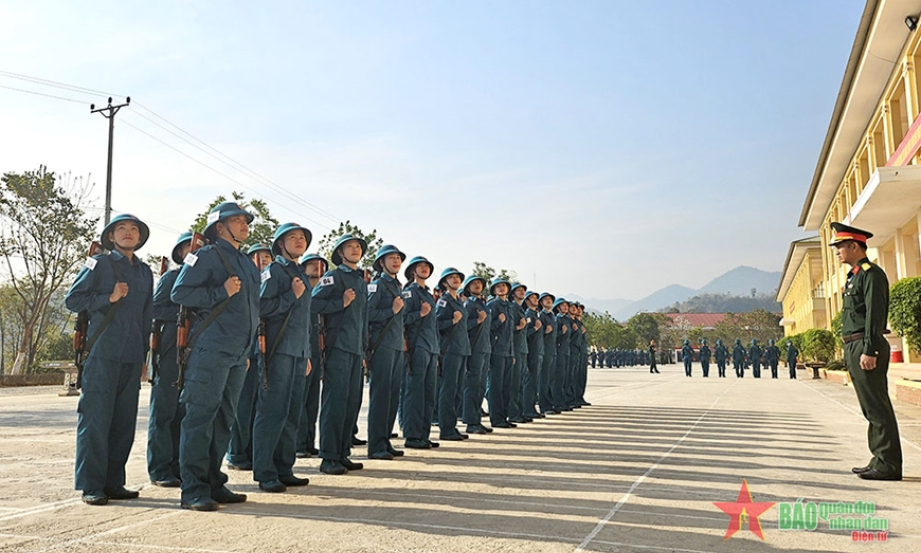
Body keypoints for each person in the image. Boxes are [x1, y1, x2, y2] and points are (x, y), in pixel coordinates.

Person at [171, 202, 260, 511]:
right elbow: (179, 293)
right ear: (219, 227)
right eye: (236, 220)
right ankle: (193, 489)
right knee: (200, 418)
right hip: (210, 349)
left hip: (238, 353)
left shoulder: (247, 263)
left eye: (245, 220)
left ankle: (213, 482)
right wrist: (220, 292)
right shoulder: (206, 255)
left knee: (224, 420)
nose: (244, 224)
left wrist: (248, 350)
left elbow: (252, 311)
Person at [65, 213, 153, 506]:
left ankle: (115, 482)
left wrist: (143, 357)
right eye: (121, 229)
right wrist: (108, 297)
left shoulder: (144, 272)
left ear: (139, 238)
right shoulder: (99, 264)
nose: (128, 233)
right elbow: (72, 300)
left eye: (133, 229)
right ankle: (92, 484)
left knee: (123, 423)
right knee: (96, 421)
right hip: (102, 353)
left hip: (130, 356)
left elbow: (146, 317)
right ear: (111, 237)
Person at [829, 222, 902, 480]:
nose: (837, 251)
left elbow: (875, 315)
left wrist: (869, 349)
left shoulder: (871, 274)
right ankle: (879, 457)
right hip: (855, 345)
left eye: (840, 246)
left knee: (877, 407)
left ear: (854, 246)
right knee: (870, 408)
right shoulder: (856, 276)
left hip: (866, 345)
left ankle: (888, 464)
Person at [251, 223, 313, 493]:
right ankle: (265, 471)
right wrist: (291, 295)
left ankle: (284, 468)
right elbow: (261, 308)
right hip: (277, 350)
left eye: (302, 238)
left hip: (298, 351)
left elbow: (305, 321)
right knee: (272, 411)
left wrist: (307, 352)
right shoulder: (274, 271)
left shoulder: (300, 272)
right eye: (293, 238)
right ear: (280, 244)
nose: (299, 241)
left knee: (291, 412)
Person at [311, 234, 369, 474]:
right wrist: (339, 303)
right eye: (349, 247)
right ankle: (329, 456)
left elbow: (364, 319)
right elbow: (313, 304)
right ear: (340, 253)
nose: (355, 250)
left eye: (357, 246)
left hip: (355, 349)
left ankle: (342, 452)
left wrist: (364, 350)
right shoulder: (332, 277)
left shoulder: (361, 279)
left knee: (351, 402)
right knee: (335, 402)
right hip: (338, 347)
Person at [147, 232, 192, 488]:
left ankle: (178, 465)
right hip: (170, 352)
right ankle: (160, 468)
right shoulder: (172, 278)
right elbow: (154, 309)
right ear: (180, 253)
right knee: (164, 413)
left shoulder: (205, 282)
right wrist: (183, 312)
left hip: (195, 353)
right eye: (189, 246)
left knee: (184, 413)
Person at [227, 243, 273, 471]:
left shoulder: (270, 281)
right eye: (258, 256)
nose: (263, 260)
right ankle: (236, 452)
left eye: (267, 256)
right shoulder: (243, 280)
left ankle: (251, 451)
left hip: (264, 351)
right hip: (245, 349)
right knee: (241, 406)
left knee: (258, 405)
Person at [365, 245, 407, 460]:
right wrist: (392, 310)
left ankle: (385, 440)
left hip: (396, 345)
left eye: (398, 258)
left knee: (392, 396)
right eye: (391, 258)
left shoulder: (397, 286)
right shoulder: (377, 285)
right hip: (382, 345)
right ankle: (375, 445)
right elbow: (369, 313)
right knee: (381, 395)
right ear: (381, 263)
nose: (396, 261)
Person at [401, 256, 440, 448]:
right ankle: (412, 435)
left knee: (428, 393)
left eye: (427, 266)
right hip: (417, 346)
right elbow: (401, 318)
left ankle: (423, 434)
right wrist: (420, 314)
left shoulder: (428, 293)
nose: (424, 269)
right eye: (420, 266)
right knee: (415, 392)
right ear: (412, 271)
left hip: (431, 347)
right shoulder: (410, 292)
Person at [296, 253, 327, 458]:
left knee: (312, 401)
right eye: (312, 265)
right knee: (301, 398)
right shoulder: (302, 289)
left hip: (318, 350)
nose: (317, 268)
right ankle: (299, 444)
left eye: (320, 265)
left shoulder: (322, 291)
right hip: (303, 349)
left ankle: (308, 441)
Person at [435, 267, 470, 441]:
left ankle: (452, 425)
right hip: (450, 350)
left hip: (462, 349)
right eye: (451, 277)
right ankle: (446, 428)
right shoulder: (444, 301)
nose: (456, 280)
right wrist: (452, 321)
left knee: (457, 390)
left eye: (457, 277)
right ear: (444, 282)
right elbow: (437, 324)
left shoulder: (459, 301)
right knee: (448, 389)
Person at [461, 275, 492, 435]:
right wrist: (477, 321)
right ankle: (470, 422)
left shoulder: (483, 304)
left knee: (480, 386)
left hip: (485, 348)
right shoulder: (469, 304)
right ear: (468, 287)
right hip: (474, 349)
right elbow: (462, 326)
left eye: (479, 283)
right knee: (472, 386)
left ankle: (476, 419)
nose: (477, 285)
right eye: (473, 283)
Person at [488, 278, 516, 426]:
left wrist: (512, 353)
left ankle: (504, 416)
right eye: (497, 286)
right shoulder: (492, 305)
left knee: (506, 387)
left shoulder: (509, 307)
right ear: (493, 290)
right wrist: (498, 321)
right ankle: (496, 418)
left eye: (503, 286)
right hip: (497, 351)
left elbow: (510, 333)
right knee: (495, 387)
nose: (501, 288)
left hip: (508, 352)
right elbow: (488, 329)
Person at [507, 283, 531, 424]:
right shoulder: (512, 308)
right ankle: (514, 413)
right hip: (514, 349)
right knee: (514, 384)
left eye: (523, 290)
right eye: (519, 290)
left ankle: (520, 412)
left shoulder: (521, 309)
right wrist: (519, 327)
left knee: (520, 383)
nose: (522, 292)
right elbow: (509, 331)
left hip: (522, 349)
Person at [522, 291, 544, 418]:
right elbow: (525, 334)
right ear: (527, 300)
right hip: (531, 352)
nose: (536, 299)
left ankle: (531, 408)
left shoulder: (536, 315)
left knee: (535, 381)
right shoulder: (528, 315)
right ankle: (528, 409)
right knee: (530, 381)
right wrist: (535, 328)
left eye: (536, 297)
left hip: (538, 351)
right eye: (532, 298)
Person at [537, 293, 558, 415]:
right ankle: (544, 405)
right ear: (541, 303)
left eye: (550, 299)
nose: (549, 301)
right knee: (544, 380)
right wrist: (545, 332)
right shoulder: (542, 316)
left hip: (552, 350)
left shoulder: (552, 316)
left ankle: (550, 403)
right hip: (544, 351)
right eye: (546, 299)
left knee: (550, 379)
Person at [552, 298, 572, 411]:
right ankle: (558, 402)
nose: (565, 307)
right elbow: (554, 336)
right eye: (562, 305)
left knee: (565, 377)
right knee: (559, 378)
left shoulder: (567, 320)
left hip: (566, 351)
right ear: (558, 307)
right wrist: (562, 332)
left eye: (566, 305)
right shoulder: (557, 319)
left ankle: (564, 401)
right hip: (559, 351)